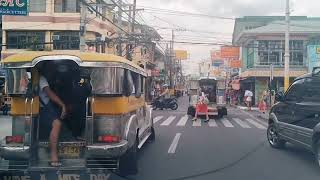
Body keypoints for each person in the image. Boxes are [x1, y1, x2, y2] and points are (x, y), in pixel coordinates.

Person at [39, 64, 67, 167]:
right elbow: (49, 93)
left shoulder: (47, 79)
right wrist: (62, 105)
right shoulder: (41, 79)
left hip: (47, 108)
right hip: (42, 109)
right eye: (50, 68)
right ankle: (53, 156)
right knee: (57, 123)